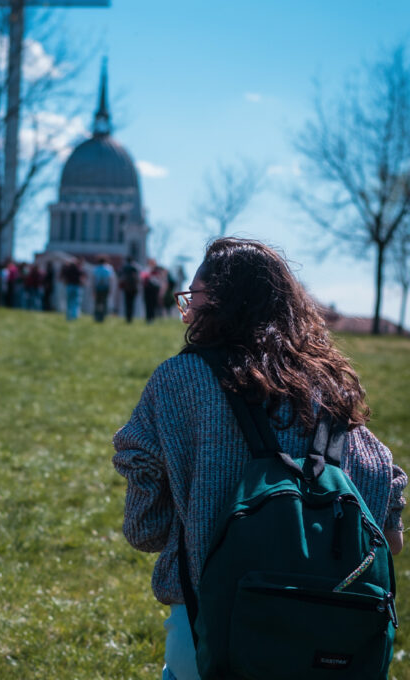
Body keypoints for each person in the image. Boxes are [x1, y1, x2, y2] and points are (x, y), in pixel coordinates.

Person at [112, 238, 406, 680]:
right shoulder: (332, 394)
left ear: (222, 304)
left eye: (193, 298)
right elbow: (389, 533)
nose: (187, 312)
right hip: (336, 649)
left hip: (213, 642)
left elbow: (145, 530)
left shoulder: (178, 381)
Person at [60, 256, 85, 321]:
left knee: (69, 302)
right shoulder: (78, 269)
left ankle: (69, 317)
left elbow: (63, 276)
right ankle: (74, 316)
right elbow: (82, 278)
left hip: (69, 286)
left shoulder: (68, 269)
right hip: (76, 287)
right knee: (75, 302)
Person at [92, 256, 114, 322]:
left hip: (98, 288)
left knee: (97, 303)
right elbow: (110, 280)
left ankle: (97, 316)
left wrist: (93, 290)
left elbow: (94, 280)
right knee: (104, 303)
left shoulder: (96, 269)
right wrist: (110, 289)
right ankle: (102, 317)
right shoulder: (109, 268)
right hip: (105, 288)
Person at [118, 256, 140, 323]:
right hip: (133, 288)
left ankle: (127, 318)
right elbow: (138, 278)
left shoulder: (124, 267)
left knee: (127, 303)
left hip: (126, 288)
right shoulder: (135, 268)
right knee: (132, 304)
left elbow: (120, 276)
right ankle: (130, 318)